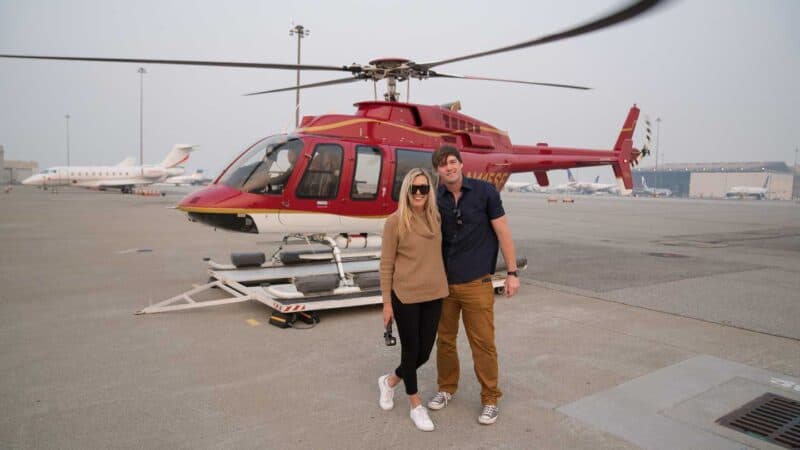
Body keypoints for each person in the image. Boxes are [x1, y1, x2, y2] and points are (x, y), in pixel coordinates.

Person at [427, 145, 520, 425]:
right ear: (437, 170)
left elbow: (503, 231)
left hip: (477, 283)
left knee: (483, 344)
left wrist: (512, 272)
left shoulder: (485, 192)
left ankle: (490, 398)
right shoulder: (435, 197)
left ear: (461, 164)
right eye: (443, 165)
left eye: (453, 162)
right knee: (444, 342)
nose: (449, 168)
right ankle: (446, 388)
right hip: (443, 285)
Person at [378, 168, 449, 432]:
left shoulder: (436, 218)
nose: (419, 193)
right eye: (414, 189)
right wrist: (387, 303)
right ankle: (415, 405)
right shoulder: (395, 222)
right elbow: (386, 265)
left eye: (424, 188)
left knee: (423, 353)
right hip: (405, 295)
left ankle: (390, 381)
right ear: (406, 191)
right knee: (410, 350)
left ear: (429, 191)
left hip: (434, 293)